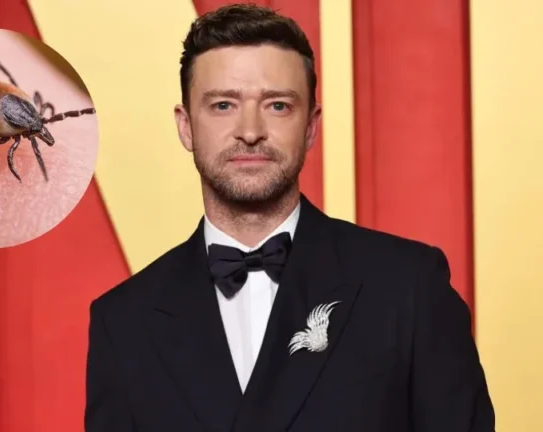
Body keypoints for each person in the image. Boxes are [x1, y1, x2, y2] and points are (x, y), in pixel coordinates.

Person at [84, 4, 495, 431]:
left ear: (311, 126)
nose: (250, 131)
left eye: (277, 106)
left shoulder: (408, 288)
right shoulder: (124, 321)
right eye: (223, 105)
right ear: (185, 126)